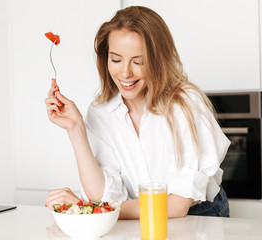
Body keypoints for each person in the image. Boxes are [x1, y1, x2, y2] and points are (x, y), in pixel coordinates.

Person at [44, 6, 231, 218]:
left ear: (158, 60)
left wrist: (97, 209)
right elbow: (104, 193)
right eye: (116, 60)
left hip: (197, 215)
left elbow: (177, 206)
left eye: (138, 62)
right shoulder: (101, 111)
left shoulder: (185, 103)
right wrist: (76, 129)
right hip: (139, 216)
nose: (125, 73)